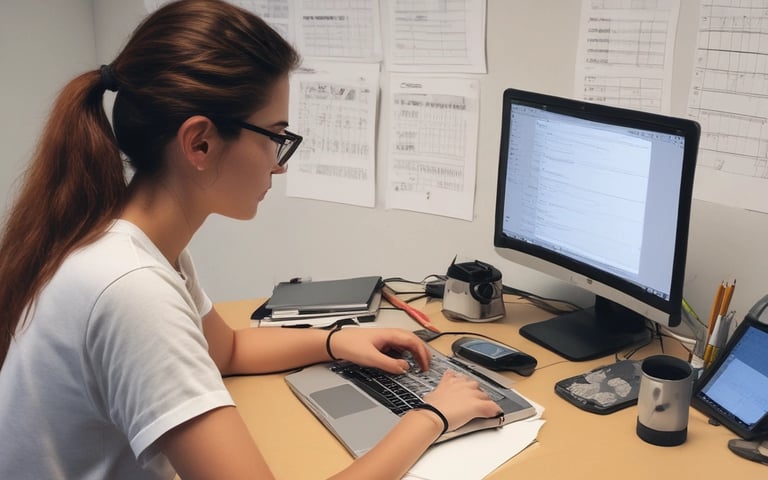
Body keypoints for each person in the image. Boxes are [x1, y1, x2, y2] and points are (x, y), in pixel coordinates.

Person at [0, 1, 500, 478]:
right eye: (275, 136)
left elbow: (228, 350)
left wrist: (336, 341)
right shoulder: (131, 289)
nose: (280, 164)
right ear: (200, 143)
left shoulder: (124, 237)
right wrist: (429, 418)